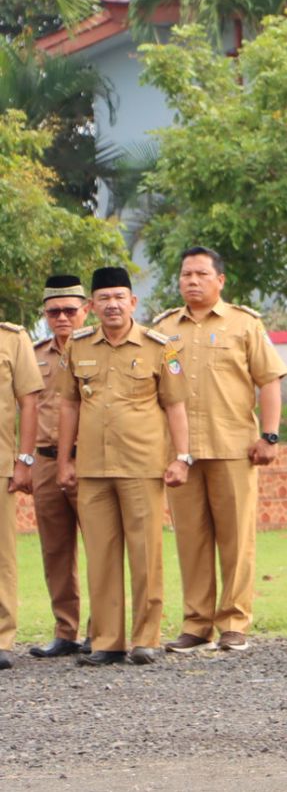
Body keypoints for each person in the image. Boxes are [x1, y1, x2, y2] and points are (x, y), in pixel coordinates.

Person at [154, 247, 287, 653]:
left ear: (220, 280)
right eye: (185, 274)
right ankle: (196, 625)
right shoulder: (162, 329)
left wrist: (269, 436)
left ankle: (233, 622)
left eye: (200, 274)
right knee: (190, 540)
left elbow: (269, 381)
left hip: (233, 447)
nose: (192, 281)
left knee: (235, 540)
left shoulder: (244, 324)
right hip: (182, 453)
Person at [57, 266, 192, 667]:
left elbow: (176, 405)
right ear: (91, 306)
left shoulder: (161, 346)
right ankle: (107, 641)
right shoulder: (77, 346)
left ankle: (146, 638)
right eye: (104, 299)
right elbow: (68, 404)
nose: (112, 305)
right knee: (100, 554)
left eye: (120, 297)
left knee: (145, 552)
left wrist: (181, 457)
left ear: (133, 302)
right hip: (93, 468)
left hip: (142, 464)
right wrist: (65, 459)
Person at [25, 275, 90, 658]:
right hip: (46, 462)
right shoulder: (34, 355)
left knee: (101, 547)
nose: (62, 317)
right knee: (55, 551)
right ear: (45, 315)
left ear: (86, 310)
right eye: (54, 311)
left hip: (91, 461)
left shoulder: (99, 349)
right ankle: (66, 631)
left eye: (69, 310)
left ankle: (104, 630)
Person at [0, 308, 44, 672]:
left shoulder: (12, 338)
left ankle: (1, 637)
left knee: (2, 555)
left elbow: (29, 400)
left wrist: (24, 459)